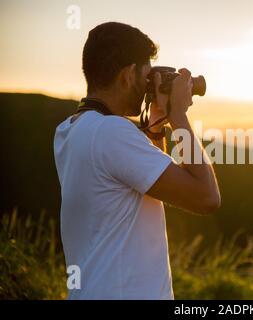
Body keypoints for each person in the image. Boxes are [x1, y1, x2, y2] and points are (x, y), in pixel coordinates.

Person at [53, 22, 221, 299]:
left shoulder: (71, 130)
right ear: (128, 75)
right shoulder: (111, 132)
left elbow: (152, 181)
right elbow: (206, 198)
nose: (147, 86)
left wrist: (156, 124)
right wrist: (178, 115)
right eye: (146, 76)